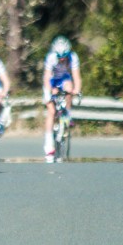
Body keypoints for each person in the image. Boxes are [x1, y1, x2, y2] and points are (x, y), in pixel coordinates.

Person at [42, 35, 82, 163]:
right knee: (51, 111)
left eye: (64, 56)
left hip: (64, 79)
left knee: (69, 88)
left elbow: (76, 76)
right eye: (60, 57)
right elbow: (47, 77)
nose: (62, 59)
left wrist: (77, 90)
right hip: (52, 81)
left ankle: (67, 114)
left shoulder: (73, 57)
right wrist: (50, 90)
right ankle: (49, 144)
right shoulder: (51, 58)